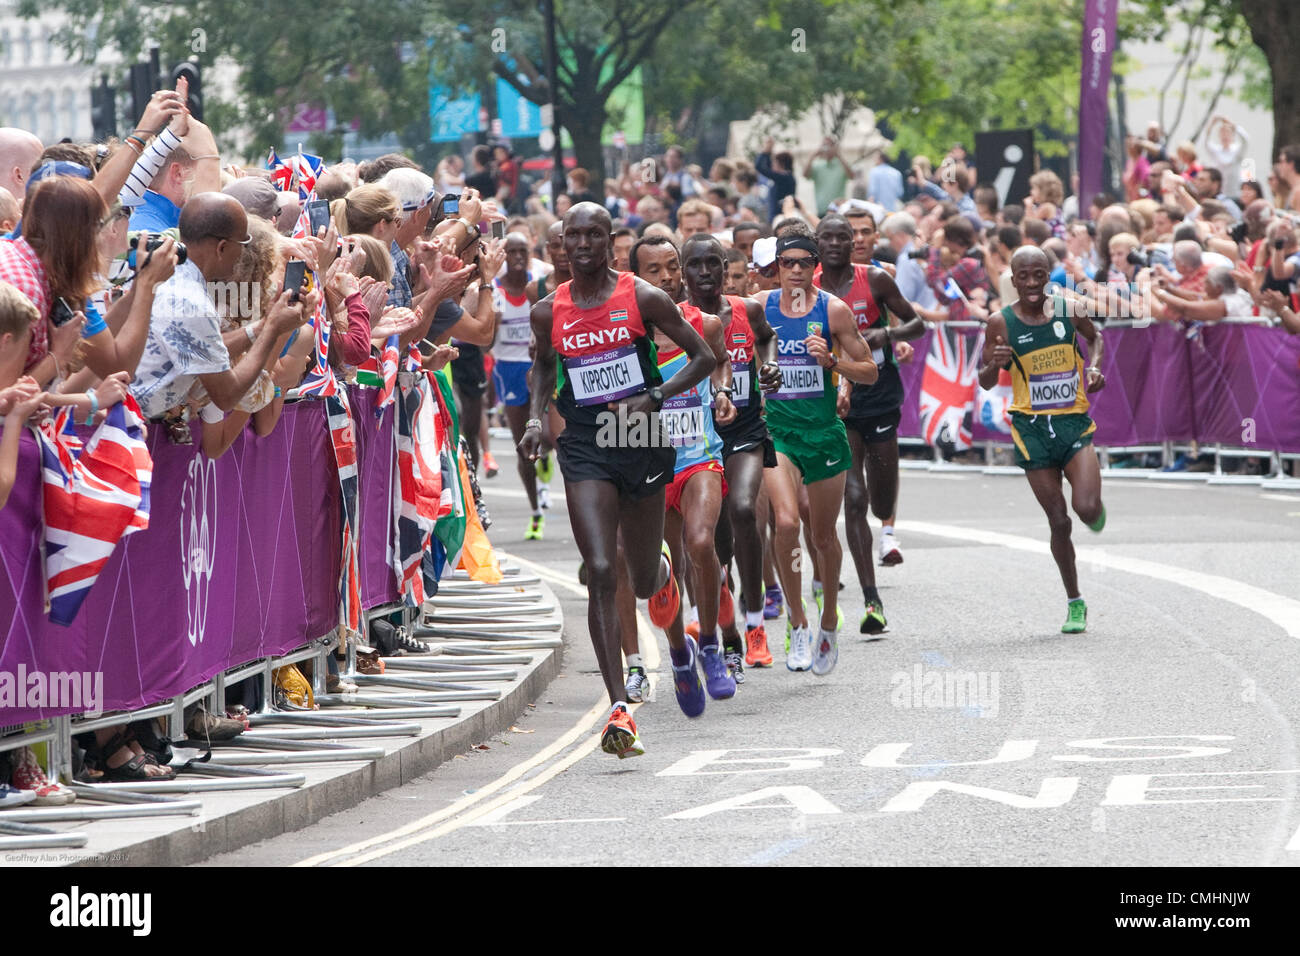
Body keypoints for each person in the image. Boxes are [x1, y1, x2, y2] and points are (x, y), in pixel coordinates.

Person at [519, 202, 716, 758]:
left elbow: (702, 357)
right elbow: (541, 366)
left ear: (611, 243)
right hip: (585, 443)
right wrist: (537, 420)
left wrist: (653, 396)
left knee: (646, 578)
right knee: (603, 569)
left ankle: (664, 570)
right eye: (572, 235)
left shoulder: (642, 297)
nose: (582, 244)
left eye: (593, 235)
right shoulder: (547, 310)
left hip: (641, 441)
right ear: (562, 243)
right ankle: (619, 708)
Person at [758, 224, 878, 674]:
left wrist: (832, 363)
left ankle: (828, 620)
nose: (793, 270)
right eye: (786, 263)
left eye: (802, 263)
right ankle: (798, 622)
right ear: (777, 267)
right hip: (779, 433)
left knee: (823, 536)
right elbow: (728, 356)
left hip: (825, 432)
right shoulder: (760, 309)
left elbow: (869, 371)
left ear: (815, 268)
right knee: (786, 522)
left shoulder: (835, 312)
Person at [978, 246, 1107, 634]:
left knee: (1085, 508)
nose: (1032, 283)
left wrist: (1095, 366)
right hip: (1031, 429)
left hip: (1072, 424)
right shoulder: (998, 323)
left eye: (1039, 275)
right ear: (1012, 280)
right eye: (1024, 276)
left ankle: (1094, 510)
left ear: (1048, 275)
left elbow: (1094, 338)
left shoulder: (1069, 309)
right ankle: (1075, 601)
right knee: (1058, 520)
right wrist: (994, 363)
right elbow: (984, 380)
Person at [632, 234, 738, 699]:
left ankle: (710, 645)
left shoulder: (705, 323)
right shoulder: (627, 334)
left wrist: (721, 392)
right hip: (651, 461)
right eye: (652, 270)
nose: (667, 277)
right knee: (663, 572)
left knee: (701, 542)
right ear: (636, 276)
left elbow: (719, 364)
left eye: (671, 266)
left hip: (699, 456)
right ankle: (679, 657)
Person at [813, 214, 924, 634]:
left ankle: (886, 522)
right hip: (835, 403)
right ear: (818, 243)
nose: (840, 243)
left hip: (878, 395)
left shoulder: (875, 280)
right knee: (853, 498)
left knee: (880, 497)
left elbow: (916, 322)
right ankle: (871, 599)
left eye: (847, 236)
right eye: (831, 237)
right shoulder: (809, 286)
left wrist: (885, 336)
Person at [681, 233, 781, 675]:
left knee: (743, 508)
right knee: (714, 544)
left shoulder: (747, 309)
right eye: (695, 265)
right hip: (698, 440)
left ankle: (756, 623)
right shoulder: (674, 319)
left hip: (744, 430)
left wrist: (768, 364)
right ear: (682, 273)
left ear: (726, 267)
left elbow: (767, 339)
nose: (705, 272)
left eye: (713, 264)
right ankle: (726, 631)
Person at [130, 193, 309, 420]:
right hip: (115, 424)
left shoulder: (171, 270)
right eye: (243, 243)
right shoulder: (192, 301)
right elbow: (227, 395)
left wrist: (264, 324)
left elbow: (209, 346)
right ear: (222, 247)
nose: (244, 252)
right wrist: (273, 328)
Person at [493, 233, 546, 538]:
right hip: (509, 369)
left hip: (539, 364)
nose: (517, 256)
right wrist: (493, 322)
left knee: (550, 433)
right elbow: (485, 342)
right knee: (521, 444)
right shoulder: (496, 289)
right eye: (511, 250)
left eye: (522, 250)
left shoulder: (538, 279)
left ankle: (548, 454)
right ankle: (536, 510)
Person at [803, 137, 853, 215]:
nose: (826, 148)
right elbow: (805, 175)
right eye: (824, 145)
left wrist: (838, 155)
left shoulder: (841, 165)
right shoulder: (817, 165)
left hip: (839, 209)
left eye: (829, 145)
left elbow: (852, 176)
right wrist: (813, 156)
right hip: (822, 210)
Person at [756, 139, 797, 222]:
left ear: (781, 164)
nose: (772, 165)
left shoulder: (784, 178)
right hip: (779, 216)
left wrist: (765, 152)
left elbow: (760, 167)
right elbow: (765, 166)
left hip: (780, 218)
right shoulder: (786, 177)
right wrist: (768, 152)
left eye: (775, 162)